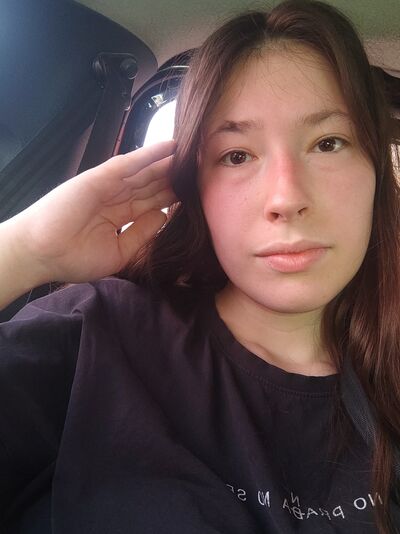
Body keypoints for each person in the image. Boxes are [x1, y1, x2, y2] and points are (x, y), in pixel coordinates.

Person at [0, 0, 399, 532]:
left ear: (376, 171)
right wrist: (24, 249)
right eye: (237, 155)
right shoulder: (95, 331)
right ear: (196, 189)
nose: (286, 198)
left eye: (329, 143)